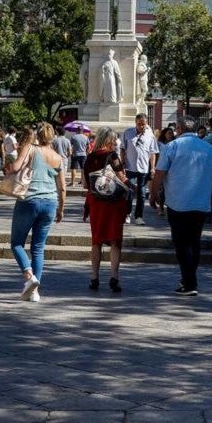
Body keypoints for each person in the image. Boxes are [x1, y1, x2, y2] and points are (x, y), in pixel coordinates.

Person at [149, 117, 212, 297]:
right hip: (201, 202)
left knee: (181, 243)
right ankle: (189, 278)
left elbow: (159, 173)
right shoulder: (208, 148)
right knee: (194, 241)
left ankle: (190, 282)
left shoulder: (172, 147)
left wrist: (153, 194)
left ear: (180, 129)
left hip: (178, 202)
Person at [7, 122, 66, 302]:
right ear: (52, 137)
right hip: (50, 203)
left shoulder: (30, 148)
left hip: (29, 200)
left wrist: (9, 167)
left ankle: (28, 276)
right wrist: (61, 209)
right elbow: (62, 187)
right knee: (38, 248)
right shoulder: (58, 157)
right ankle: (34, 292)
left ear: (38, 135)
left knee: (17, 243)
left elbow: (16, 167)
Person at [83, 128, 127, 292]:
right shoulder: (113, 156)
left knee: (97, 240)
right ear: (108, 140)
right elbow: (122, 178)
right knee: (115, 240)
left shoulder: (90, 158)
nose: (116, 142)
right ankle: (114, 277)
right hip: (113, 203)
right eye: (114, 139)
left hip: (96, 203)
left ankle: (94, 277)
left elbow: (86, 184)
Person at [120, 113, 159, 225]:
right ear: (135, 123)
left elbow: (152, 153)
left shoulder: (150, 136)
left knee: (142, 194)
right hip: (130, 167)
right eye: (139, 124)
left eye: (144, 124)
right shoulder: (128, 133)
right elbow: (122, 148)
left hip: (143, 168)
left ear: (146, 123)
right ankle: (127, 214)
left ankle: (139, 216)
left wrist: (152, 168)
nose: (141, 126)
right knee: (129, 192)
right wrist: (122, 162)